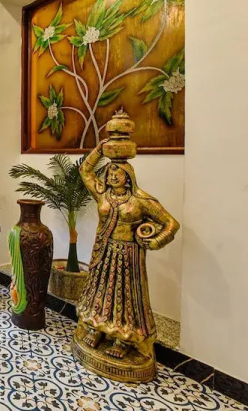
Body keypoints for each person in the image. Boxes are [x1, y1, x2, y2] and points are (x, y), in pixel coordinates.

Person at [76, 139, 180, 360]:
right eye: (110, 172)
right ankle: (97, 328)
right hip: (104, 252)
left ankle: (122, 339)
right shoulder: (102, 194)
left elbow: (171, 224)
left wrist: (156, 241)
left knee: (124, 297)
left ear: (129, 175)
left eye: (119, 172)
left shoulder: (140, 200)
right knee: (100, 290)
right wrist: (99, 149)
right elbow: (85, 170)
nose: (113, 176)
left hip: (127, 256)